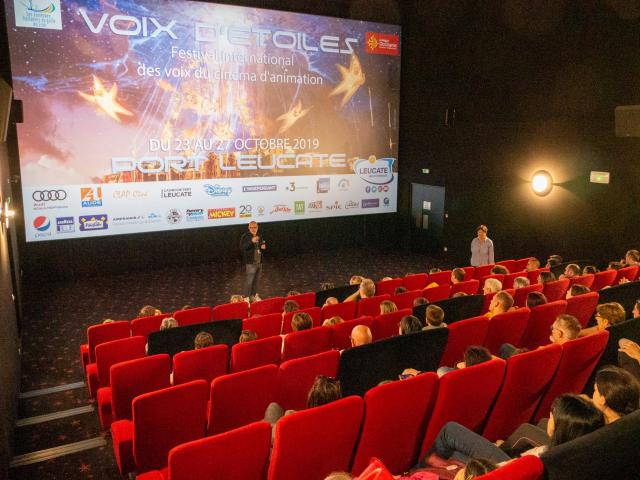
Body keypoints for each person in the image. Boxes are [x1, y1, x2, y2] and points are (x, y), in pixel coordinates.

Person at [422, 394, 604, 465]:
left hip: (503, 470)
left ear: (559, 427)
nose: (549, 419)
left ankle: (414, 471)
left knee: (450, 430)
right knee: (451, 452)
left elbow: (504, 470)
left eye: (552, 416)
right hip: (512, 464)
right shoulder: (582, 452)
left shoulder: (543, 457)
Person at [240, 221, 266, 300]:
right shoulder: (245, 236)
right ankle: (246, 297)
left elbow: (261, 247)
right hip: (251, 262)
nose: (253, 229)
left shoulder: (259, 235)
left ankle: (253, 295)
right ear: (249, 228)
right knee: (249, 281)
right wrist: (251, 241)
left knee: (256, 281)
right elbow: (243, 247)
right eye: (251, 227)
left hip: (259, 261)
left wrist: (263, 247)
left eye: (255, 227)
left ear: (257, 227)